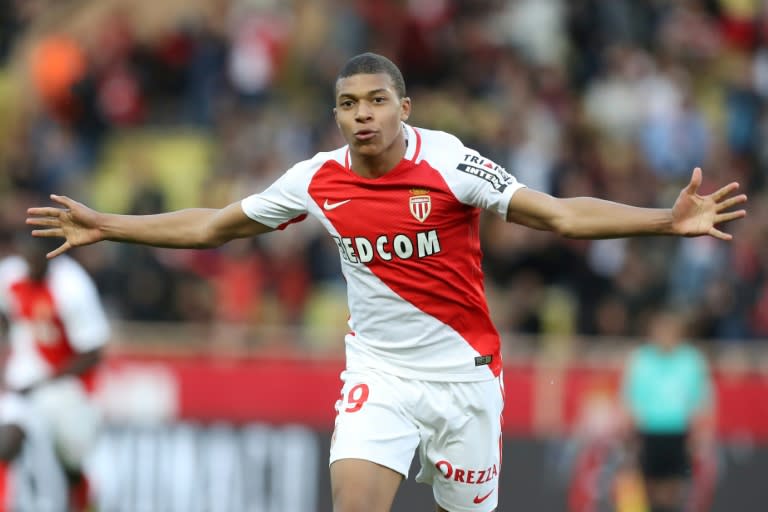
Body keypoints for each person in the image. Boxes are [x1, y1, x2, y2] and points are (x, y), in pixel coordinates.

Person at [25, 53, 746, 512]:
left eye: (375, 100)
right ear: (336, 113)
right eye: (348, 103)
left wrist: (661, 221)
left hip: (465, 380)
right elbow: (214, 226)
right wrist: (109, 225)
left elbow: (556, 215)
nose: (361, 114)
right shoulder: (317, 179)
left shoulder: (453, 165)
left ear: (405, 108)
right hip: (380, 375)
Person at [0, 235, 110, 511]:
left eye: (35, 256)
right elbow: (4, 317)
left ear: (53, 255)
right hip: (23, 380)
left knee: (71, 462)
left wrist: (45, 381)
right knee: (6, 440)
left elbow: (93, 352)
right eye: (25, 253)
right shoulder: (11, 275)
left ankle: (85, 501)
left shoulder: (72, 286)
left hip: (67, 388)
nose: (28, 262)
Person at [620, 308, 716, 512]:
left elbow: (702, 399)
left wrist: (700, 433)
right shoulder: (641, 360)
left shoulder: (691, 360)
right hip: (649, 433)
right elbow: (629, 398)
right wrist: (630, 432)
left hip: (679, 433)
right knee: (648, 487)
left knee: (673, 488)